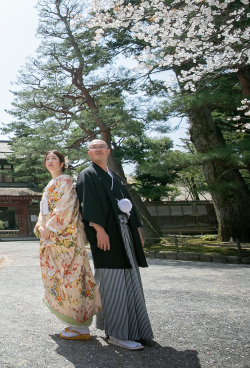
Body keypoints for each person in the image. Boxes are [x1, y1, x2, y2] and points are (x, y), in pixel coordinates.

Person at [75, 139, 154, 351]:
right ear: (89, 152)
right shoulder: (87, 175)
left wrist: (136, 230)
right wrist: (99, 230)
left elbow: (130, 206)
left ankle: (136, 330)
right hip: (106, 233)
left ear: (108, 152)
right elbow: (87, 203)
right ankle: (117, 334)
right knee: (112, 280)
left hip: (125, 231)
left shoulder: (116, 177)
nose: (98, 149)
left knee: (130, 277)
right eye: (94, 147)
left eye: (102, 146)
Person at [34, 150, 101, 341]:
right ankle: (74, 323)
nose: (49, 161)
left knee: (72, 276)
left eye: (54, 158)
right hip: (52, 236)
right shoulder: (50, 184)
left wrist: (49, 227)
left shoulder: (65, 181)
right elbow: (43, 210)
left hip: (65, 237)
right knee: (57, 276)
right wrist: (41, 224)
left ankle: (80, 324)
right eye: (47, 159)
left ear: (63, 163)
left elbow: (67, 207)